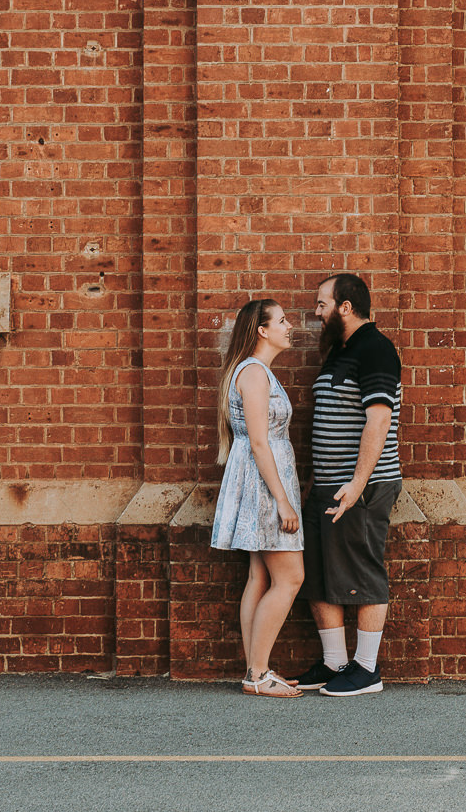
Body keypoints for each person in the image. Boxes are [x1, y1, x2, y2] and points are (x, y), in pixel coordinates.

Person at [293, 272, 402, 696]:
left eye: (322, 304)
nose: (316, 312)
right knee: (321, 575)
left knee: (363, 572)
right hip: (329, 487)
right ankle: (336, 663)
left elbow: (379, 419)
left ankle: (367, 669)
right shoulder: (340, 351)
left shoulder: (375, 349)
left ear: (345, 307)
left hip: (361, 489)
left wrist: (358, 483)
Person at [209, 298, 306, 696]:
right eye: (282, 321)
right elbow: (260, 444)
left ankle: (255, 671)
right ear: (262, 330)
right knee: (290, 577)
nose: (290, 326)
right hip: (266, 487)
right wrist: (282, 501)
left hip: (262, 482)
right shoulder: (254, 374)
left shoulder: (258, 372)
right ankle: (259, 673)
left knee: (260, 575)